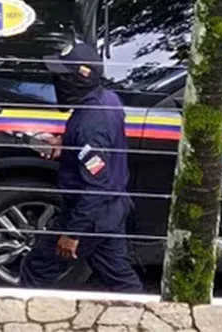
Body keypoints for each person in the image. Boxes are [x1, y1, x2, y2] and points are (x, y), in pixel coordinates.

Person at [19, 41, 143, 293]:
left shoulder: (90, 124)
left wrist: (73, 234)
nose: (56, 81)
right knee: (119, 278)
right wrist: (65, 145)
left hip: (90, 216)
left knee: (36, 268)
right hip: (111, 209)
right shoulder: (107, 100)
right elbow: (101, 153)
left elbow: (95, 185)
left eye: (63, 76)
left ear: (79, 79)